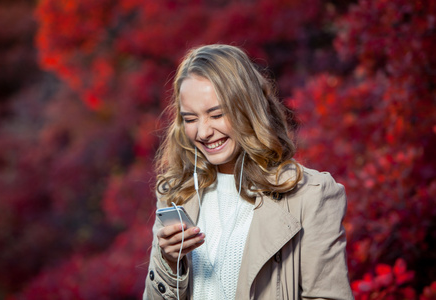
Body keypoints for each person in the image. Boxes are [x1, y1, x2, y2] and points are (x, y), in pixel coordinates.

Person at [143, 44, 353, 300]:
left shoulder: (309, 195)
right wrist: (168, 263)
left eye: (216, 114)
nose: (203, 131)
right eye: (190, 119)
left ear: (247, 109)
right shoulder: (176, 193)